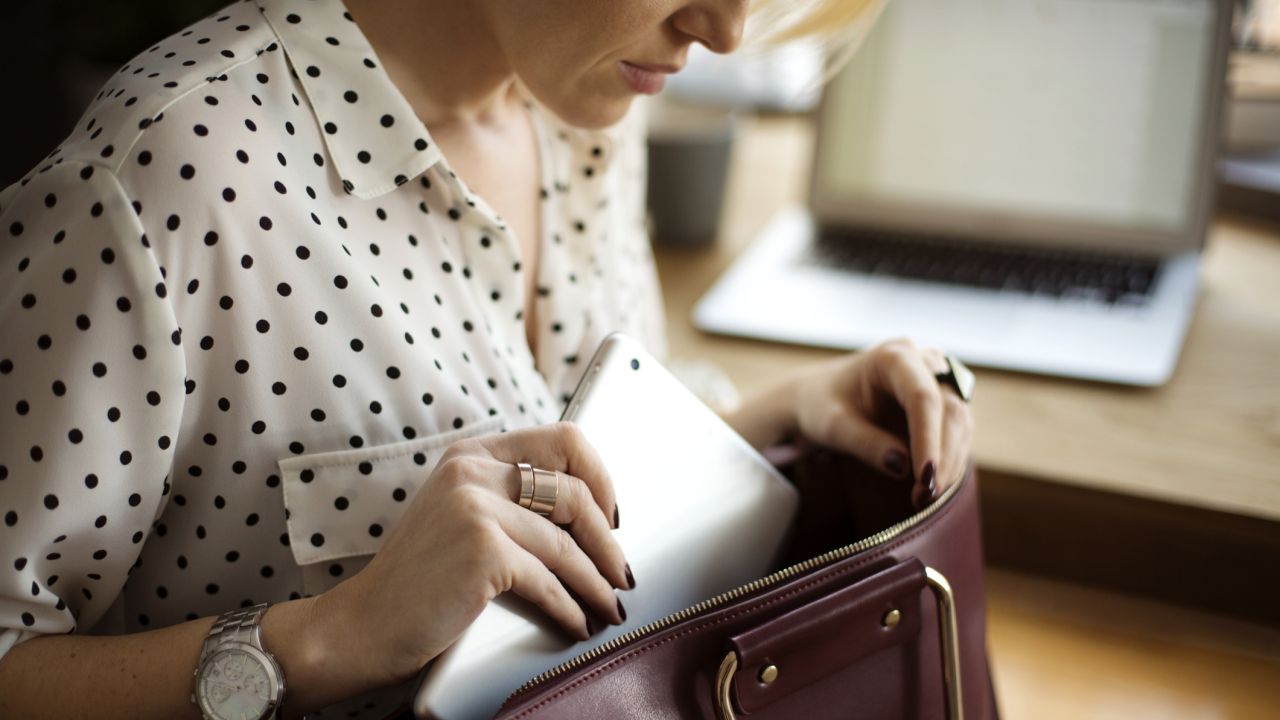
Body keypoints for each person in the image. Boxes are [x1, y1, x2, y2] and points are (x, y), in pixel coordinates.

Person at [0, 0, 973, 717]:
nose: (723, 30)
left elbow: (570, 481)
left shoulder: (584, 108)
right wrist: (333, 636)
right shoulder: (164, 182)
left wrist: (783, 413)